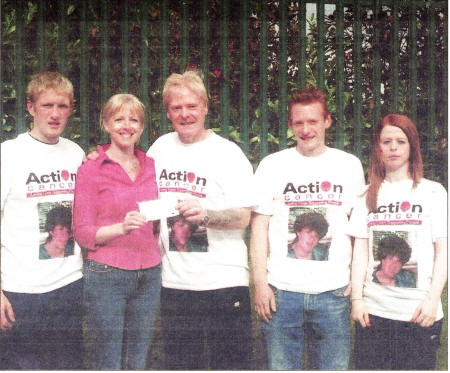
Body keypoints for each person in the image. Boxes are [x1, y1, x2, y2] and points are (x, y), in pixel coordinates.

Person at [250, 86, 365, 370]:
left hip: (333, 293)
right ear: (290, 125)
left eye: (312, 121)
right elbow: (258, 229)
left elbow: (359, 232)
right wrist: (261, 284)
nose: (306, 129)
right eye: (298, 122)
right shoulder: (272, 165)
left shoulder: (348, 166)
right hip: (282, 293)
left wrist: (355, 284)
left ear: (327, 121)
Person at [147, 69, 254, 370]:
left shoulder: (227, 154)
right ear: (168, 112)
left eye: (192, 106)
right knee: (181, 364)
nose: (185, 114)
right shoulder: (160, 148)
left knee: (231, 365)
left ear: (206, 106)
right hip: (174, 283)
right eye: (177, 107)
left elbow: (243, 216)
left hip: (223, 282)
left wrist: (207, 216)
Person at [348, 113, 447, 370]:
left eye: (401, 141)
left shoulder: (433, 192)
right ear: (377, 148)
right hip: (374, 313)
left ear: (412, 147)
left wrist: (433, 299)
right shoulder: (365, 195)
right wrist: (357, 300)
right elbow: (360, 251)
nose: (393, 147)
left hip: (419, 314)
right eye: (386, 141)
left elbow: (443, 251)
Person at [0, 71, 85, 369]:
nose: (54, 114)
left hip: (70, 287)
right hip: (22, 292)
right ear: (30, 106)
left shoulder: (75, 153)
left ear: (71, 109)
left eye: (62, 106)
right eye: (47, 105)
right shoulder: (8, 155)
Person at [72, 94, 161, 370]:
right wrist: (120, 228)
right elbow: (83, 233)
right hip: (107, 275)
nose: (127, 126)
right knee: (107, 360)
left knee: (137, 359)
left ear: (142, 127)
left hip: (149, 273)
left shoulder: (152, 166)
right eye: (119, 119)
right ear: (106, 124)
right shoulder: (91, 168)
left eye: (134, 120)